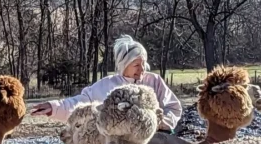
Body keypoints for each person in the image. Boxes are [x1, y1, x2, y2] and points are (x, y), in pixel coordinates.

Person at [31, 35, 182, 133]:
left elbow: (173, 107)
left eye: (143, 64)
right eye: (136, 65)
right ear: (124, 65)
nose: (142, 69)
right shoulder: (106, 86)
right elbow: (79, 105)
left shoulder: (154, 81)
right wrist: (54, 107)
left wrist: (162, 122)